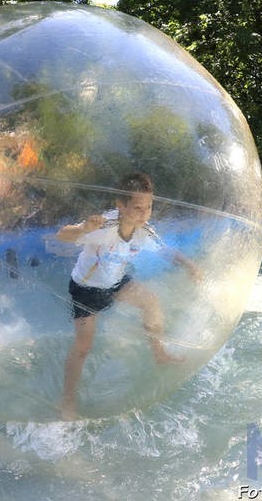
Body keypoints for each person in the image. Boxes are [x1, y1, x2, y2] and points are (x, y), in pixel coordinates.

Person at [56, 172, 200, 420]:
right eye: (137, 207)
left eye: (149, 207)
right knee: (83, 347)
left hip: (114, 283)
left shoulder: (144, 231)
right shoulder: (104, 227)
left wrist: (188, 264)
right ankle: (67, 403)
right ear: (120, 205)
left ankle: (159, 354)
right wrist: (82, 228)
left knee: (151, 301)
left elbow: (165, 250)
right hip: (86, 289)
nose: (144, 213)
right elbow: (63, 235)